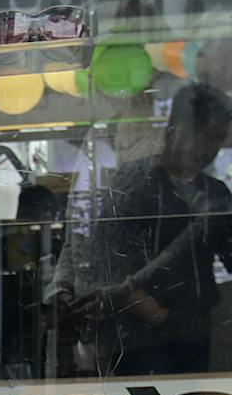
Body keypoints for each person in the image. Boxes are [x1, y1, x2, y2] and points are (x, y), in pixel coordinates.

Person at [52, 84, 232, 377]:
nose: (210, 149)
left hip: (194, 333)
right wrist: (157, 315)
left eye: (218, 139)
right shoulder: (135, 183)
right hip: (142, 339)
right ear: (177, 130)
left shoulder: (215, 193)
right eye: (205, 137)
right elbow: (107, 265)